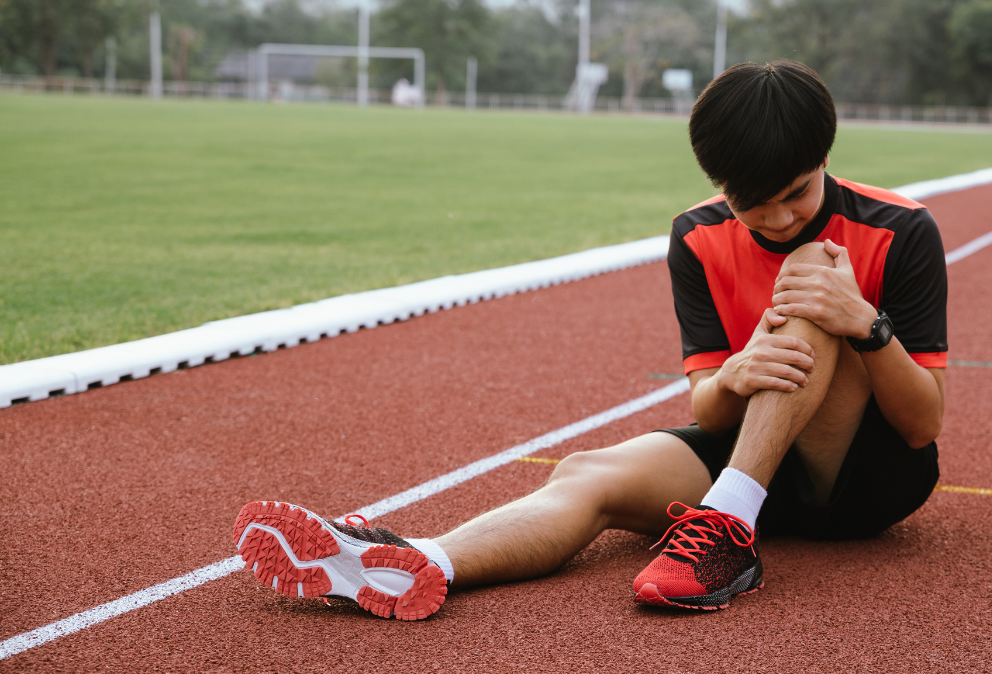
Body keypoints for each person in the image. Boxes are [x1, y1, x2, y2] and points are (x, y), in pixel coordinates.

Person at [231, 60, 948, 620]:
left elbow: (922, 426)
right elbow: (712, 412)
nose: (780, 218)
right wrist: (733, 375)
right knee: (586, 472)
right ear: (717, 184)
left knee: (815, 277)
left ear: (826, 157)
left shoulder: (901, 229)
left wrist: (866, 325)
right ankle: (417, 561)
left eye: (797, 193)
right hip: (754, 462)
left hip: (865, 478)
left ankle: (727, 528)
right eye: (751, 203)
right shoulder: (697, 235)